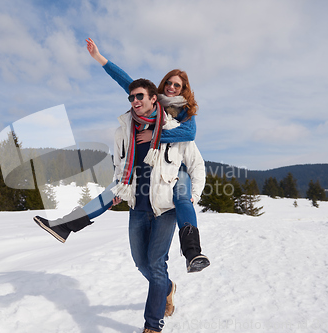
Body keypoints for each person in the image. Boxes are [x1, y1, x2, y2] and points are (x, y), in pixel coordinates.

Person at [34, 38, 210, 273]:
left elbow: (190, 133)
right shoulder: (150, 98)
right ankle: (65, 226)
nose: (171, 87)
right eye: (168, 82)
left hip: (175, 166)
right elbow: (125, 80)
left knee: (182, 195)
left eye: (177, 85)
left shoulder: (185, 111)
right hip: (146, 167)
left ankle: (192, 252)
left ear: (183, 89)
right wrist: (99, 57)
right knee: (115, 188)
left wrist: (154, 138)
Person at [113, 78, 206, 332]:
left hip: (166, 208)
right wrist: (118, 188)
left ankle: (152, 324)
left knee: (155, 263)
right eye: (131, 98)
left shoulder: (175, 129)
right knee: (140, 262)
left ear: (154, 99)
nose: (135, 101)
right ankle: (167, 287)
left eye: (139, 96)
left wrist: (190, 197)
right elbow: (119, 164)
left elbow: (197, 165)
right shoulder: (125, 130)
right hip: (138, 206)